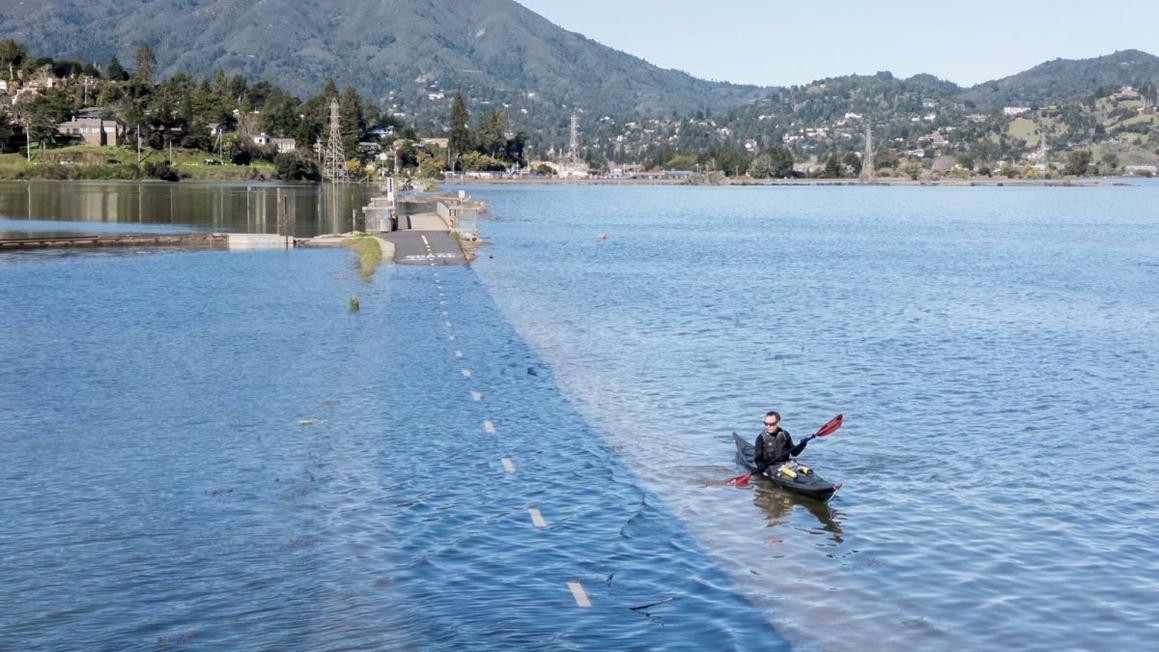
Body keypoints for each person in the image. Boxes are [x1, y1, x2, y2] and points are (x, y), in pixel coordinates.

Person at [753, 411, 813, 476]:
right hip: (771, 466)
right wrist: (761, 466)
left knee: (805, 471)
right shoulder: (761, 438)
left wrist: (802, 444)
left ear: (778, 423)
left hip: (786, 463)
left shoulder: (785, 435)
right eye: (766, 423)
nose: (768, 426)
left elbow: (794, 453)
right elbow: (757, 459)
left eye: (771, 424)